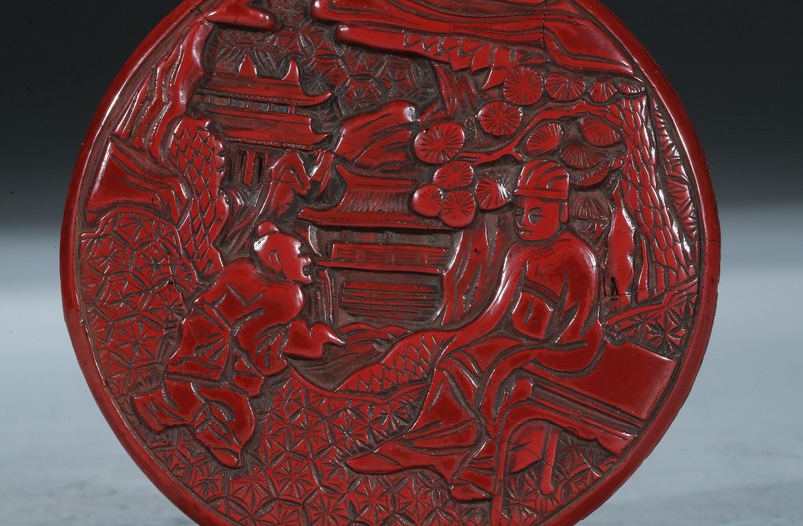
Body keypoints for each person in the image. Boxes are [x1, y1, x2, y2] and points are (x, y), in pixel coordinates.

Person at [348, 160, 607, 500]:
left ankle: (489, 465)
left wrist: (526, 355)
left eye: (536, 215)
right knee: (453, 363)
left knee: (504, 374)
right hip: (512, 341)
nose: (523, 222)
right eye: (520, 213)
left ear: (561, 213)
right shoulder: (519, 252)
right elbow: (493, 314)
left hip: (563, 349)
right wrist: (456, 341)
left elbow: (576, 331)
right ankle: (422, 448)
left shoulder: (579, 257)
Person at [133, 222, 341, 466]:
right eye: (300, 253)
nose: (308, 259)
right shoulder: (288, 297)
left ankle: (160, 411)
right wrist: (311, 341)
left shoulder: (238, 270)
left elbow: (244, 328)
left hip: (197, 347)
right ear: (277, 260)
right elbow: (254, 339)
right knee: (240, 419)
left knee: (189, 395)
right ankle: (214, 438)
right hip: (218, 362)